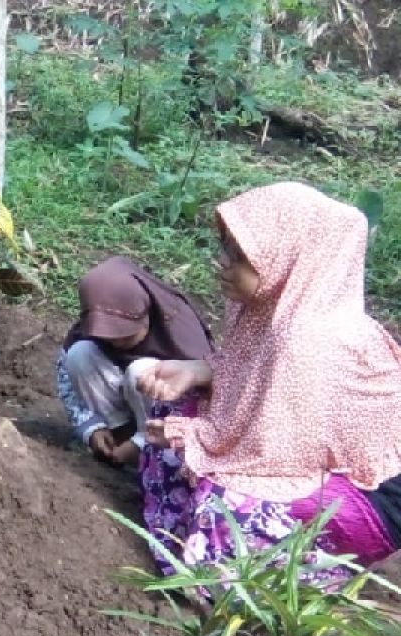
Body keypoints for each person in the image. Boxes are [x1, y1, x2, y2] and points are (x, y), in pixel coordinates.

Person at [137, 181, 401, 582]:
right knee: (178, 410)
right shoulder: (275, 309)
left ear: (288, 259)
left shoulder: (307, 337)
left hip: (369, 500)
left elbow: (273, 458)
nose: (221, 262)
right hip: (297, 459)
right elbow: (255, 381)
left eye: (239, 255)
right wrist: (197, 372)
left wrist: (193, 437)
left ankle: (315, 573)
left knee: (228, 514)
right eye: (224, 247)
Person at [56, 256, 213, 467]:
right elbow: (66, 374)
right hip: (124, 410)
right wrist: (90, 426)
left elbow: (205, 402)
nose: (118, 343)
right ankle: (116, 438)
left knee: (141, 370)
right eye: (109, 336)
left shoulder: (179, 330)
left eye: (127, 335)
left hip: (168, 427)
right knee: (80, 354)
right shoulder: (95, 322)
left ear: (146, 314)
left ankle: (150, 455)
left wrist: (142, 441)